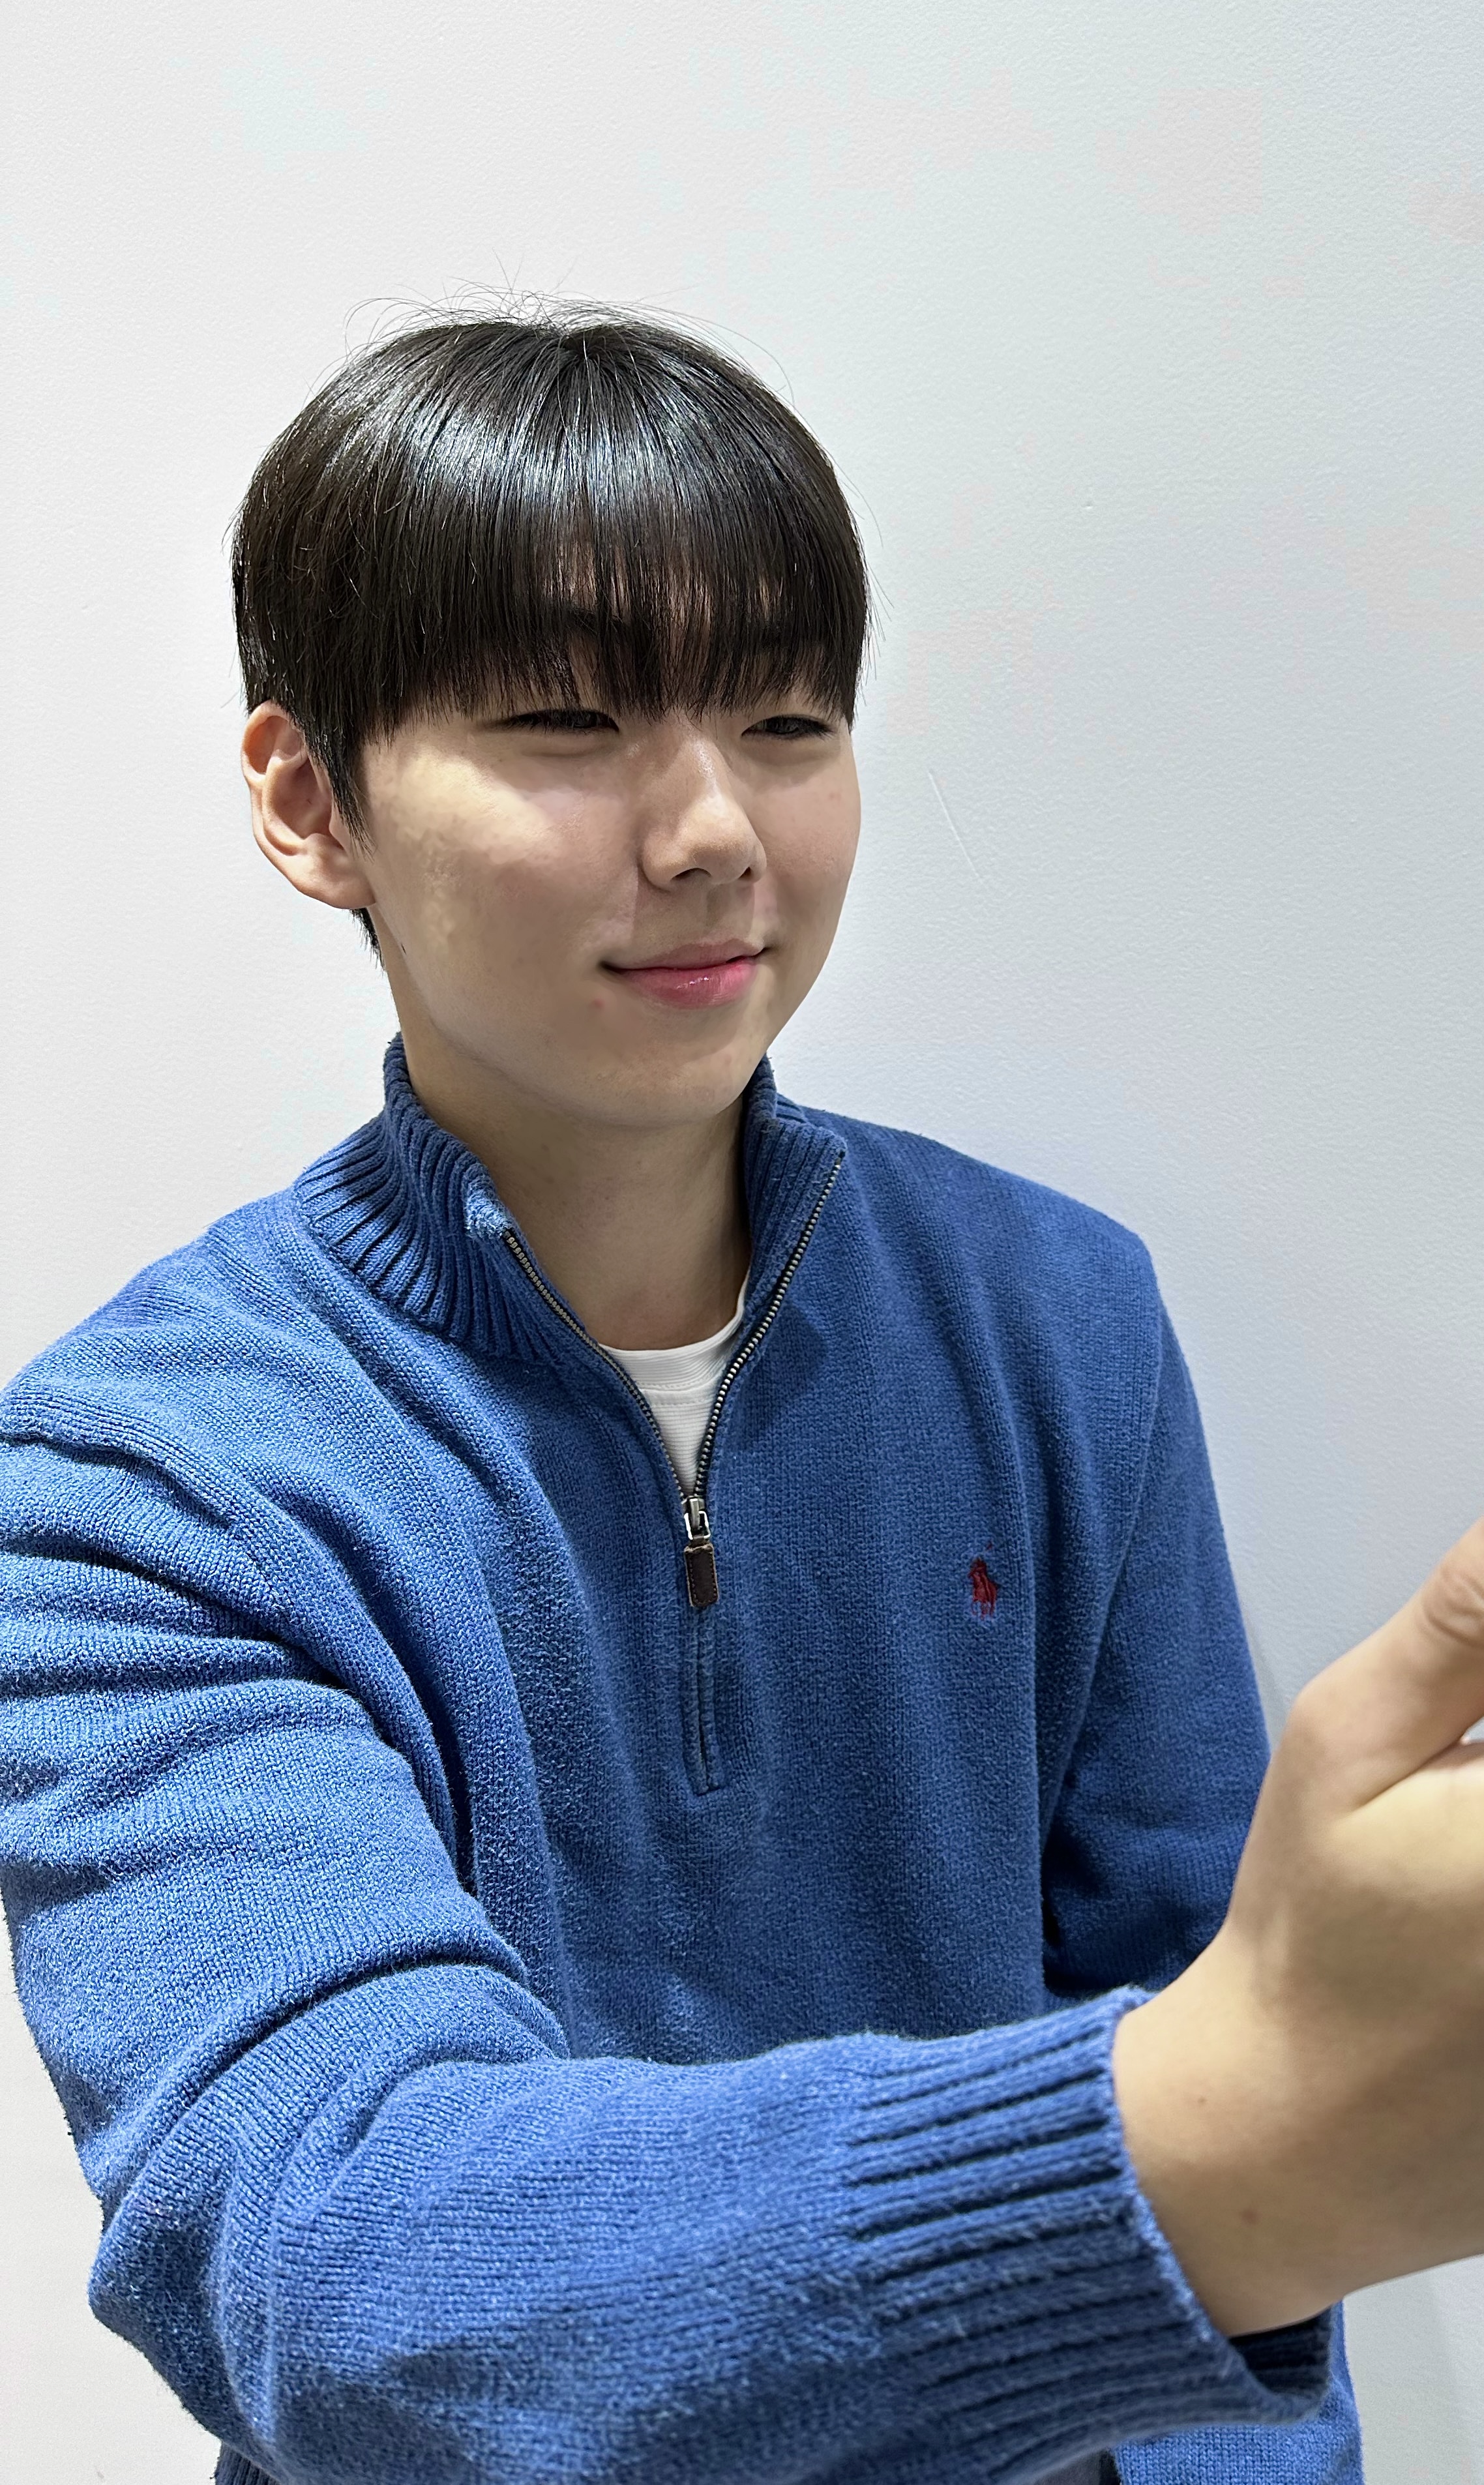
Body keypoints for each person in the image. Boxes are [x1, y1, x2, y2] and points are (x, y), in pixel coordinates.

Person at [3, 309, 1484, 2485]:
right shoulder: (145, 1476)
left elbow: (1206, 2002)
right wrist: (1223, 2132)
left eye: (788, 717)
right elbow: (337, 2256)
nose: (712, 828)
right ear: (312, 800)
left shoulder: (1055, 1313)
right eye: (568, 719)